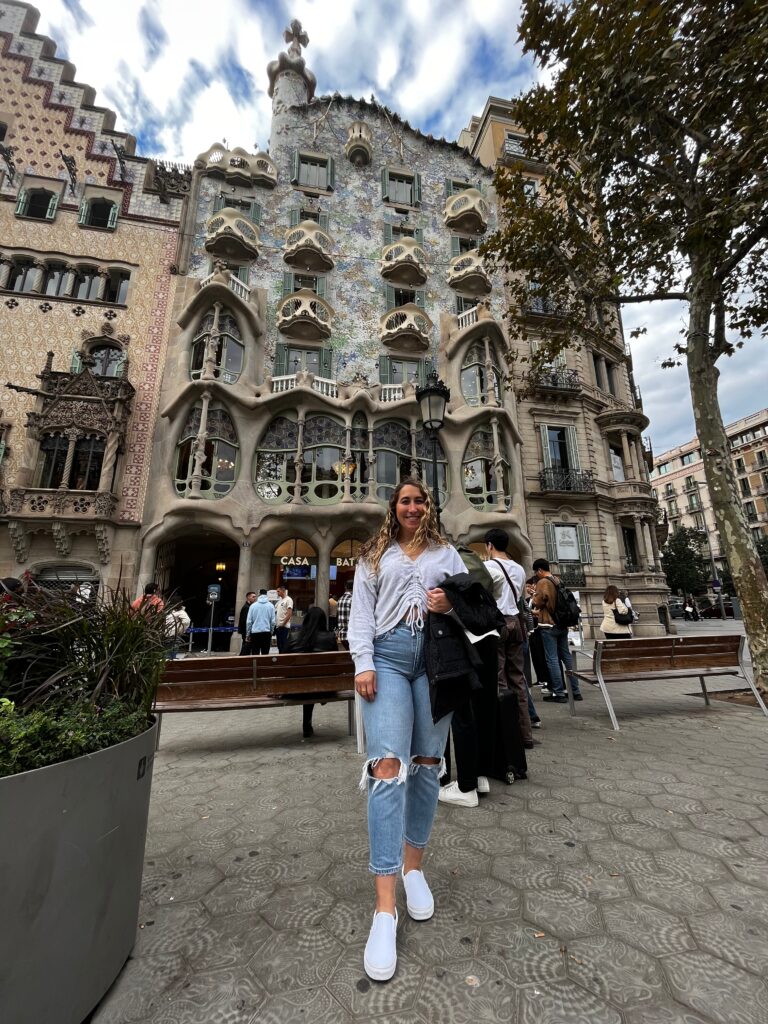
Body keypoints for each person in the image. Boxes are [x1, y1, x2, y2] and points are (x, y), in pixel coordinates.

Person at [348, 478, 467, 982]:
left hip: (437, 661)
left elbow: (484, 604)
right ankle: (384, 906)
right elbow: (360, 613)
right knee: (387, 768)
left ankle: (413, 867)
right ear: (393, 508)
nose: (413, 507)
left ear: (429, 506)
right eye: (405, 501)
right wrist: (363, 662)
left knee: (427, 766)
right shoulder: (375, 554)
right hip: (390, 659)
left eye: (420, 500)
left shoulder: (448, 553)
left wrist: (450, 606)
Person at [482, 528, 536, 749]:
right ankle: (525, 734)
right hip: (516, 623)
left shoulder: (487, 568)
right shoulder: (520, 569)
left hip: (498, 623)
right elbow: (521, 596)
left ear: (490, 546)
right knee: (518, 679)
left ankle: (506, 734)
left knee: (499, 678)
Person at [530, 558, 582, 703]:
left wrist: (534, 595)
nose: (537, 575)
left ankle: (559, 692)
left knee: (552, 659)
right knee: (566, 656)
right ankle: (575, 691)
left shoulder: (543, 582)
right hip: (562, 624)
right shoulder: (558, 580)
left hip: (549, 625)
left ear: (540, 570)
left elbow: (538, 602)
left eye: (536, 572)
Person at [285, 605, 338, 737]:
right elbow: (335, 664)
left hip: (295, 690)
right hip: (324, 688)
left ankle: (306, 724)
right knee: (313, 682)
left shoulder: (293, 636)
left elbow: (284, 661)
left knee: (306, 682)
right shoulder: (330, 637)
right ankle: (308, 722)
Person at [246, 589, 275, 655]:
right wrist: (271, 632)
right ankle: (264, 665)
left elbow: (249, 622)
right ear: (266, 595)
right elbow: (273, 622)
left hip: (255, 633)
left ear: (259, 594)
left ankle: (255, 665)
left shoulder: (253, 606)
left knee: (255, 653)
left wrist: (248, 634)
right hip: (266, 633)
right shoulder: (271, 606)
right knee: (265, 654)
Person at [275, 586, 294, 651]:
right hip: (278, 627)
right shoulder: (280, 601)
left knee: (284, 646)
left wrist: (283, 624)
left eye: (278, 591)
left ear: (283, 591)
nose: (277, 593)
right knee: (279, 646)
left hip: (284, 627)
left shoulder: (288, 600)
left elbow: (289, 614)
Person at [336, 579, 353, 649]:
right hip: (352, 634)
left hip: (342, 635)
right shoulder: (353, 599)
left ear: (345, 587)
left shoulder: (340, 599)